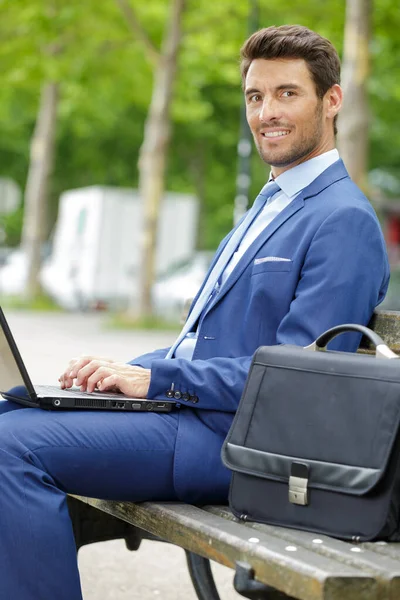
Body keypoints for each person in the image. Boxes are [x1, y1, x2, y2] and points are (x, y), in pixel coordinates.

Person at [0, 25, 390, 600]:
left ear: (331, 101)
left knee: (11, 449)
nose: (266, 113)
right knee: (11, 411)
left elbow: (301, 382)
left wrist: (158, 378)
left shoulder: (343, 219)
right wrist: (117, 376)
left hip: (233, 444)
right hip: (186, 419)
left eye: (287, 93)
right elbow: (203, 342)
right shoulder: (270, 202)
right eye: (255, 97)